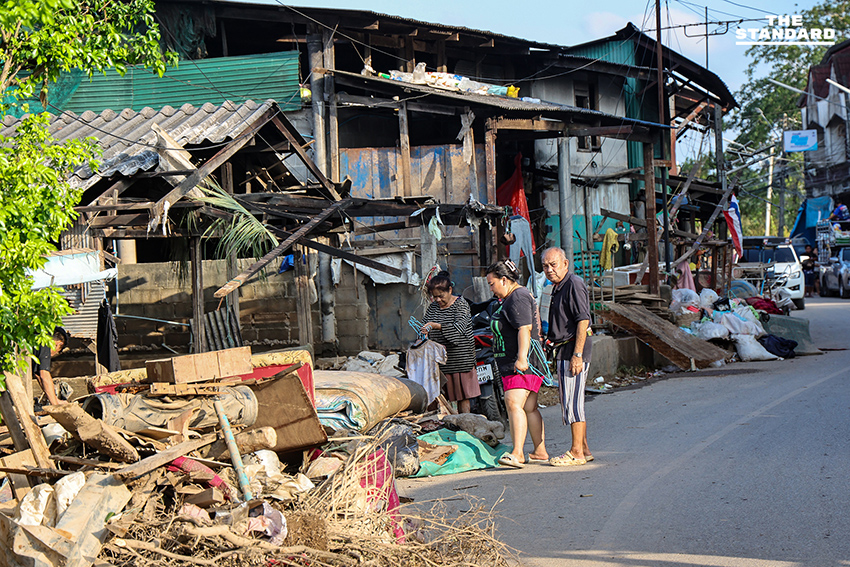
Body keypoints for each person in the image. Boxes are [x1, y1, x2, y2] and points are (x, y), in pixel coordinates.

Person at [486, 260, 548, 468]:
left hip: (521, 362)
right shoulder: (512, 297)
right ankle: (540, 452)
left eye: (492, 283)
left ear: (504, 280)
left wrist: (521, 358)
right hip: (520, 361)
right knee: (528, 407)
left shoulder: (518, 296)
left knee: (513, 403)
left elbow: (525, 328)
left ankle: (518, 453)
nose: (491, 288)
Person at [541, 247, 593, 467]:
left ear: (565, 264)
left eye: (553, 264)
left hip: (574, 349)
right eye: (545, 266)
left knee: (573, 402)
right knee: (569, 400)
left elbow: (583, 320)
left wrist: (577, 355)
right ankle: (585, 449)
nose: (550, 270)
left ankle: (576, 452)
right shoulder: (556, 287)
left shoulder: (573, 283)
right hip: (563, 348)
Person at [421, 271, 478, 413]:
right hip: (440, 362)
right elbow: (426, 323)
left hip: (460, 360)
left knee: (462, 397)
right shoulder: (433, 307)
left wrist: (436, 326)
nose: (438, 300)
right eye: (435, 297)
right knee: (441, 398)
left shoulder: (461, 305)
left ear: (450, 290)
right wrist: (423, 332)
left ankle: (465, 428)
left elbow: (458, 329)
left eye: (441, 296)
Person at [33, 327, 69, 406]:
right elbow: (44, 375)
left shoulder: (38, 337)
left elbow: (38, 375)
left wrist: (55, 398)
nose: (54, 354)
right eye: (58, 351)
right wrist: (55, 405)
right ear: (59, 344)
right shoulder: (45, 342)